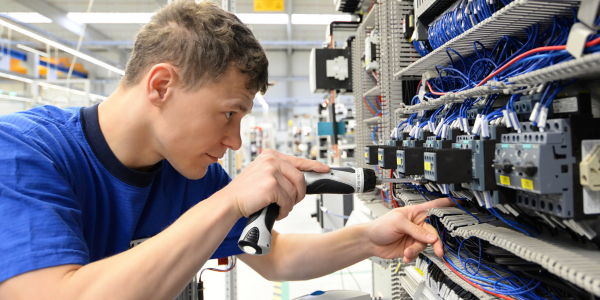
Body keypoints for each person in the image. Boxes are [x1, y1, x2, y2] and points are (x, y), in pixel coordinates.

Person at [0, 1, 450, 299]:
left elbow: (272, 258)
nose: (235, 141)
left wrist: (369, 239)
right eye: (229, 114)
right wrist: (229, 202)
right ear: (161, 86)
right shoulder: (25, 152)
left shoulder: (190, 173)